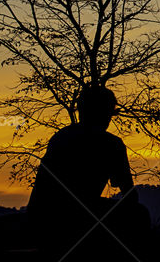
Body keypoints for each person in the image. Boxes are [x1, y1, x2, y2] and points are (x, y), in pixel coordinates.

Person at [27, 87, 150, 260]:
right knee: (139, 214)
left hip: (42, 217)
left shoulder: (61, 137)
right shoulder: (111, 144)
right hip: (73, 216)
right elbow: (129, 193)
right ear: (105, 112)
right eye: (108, 112)